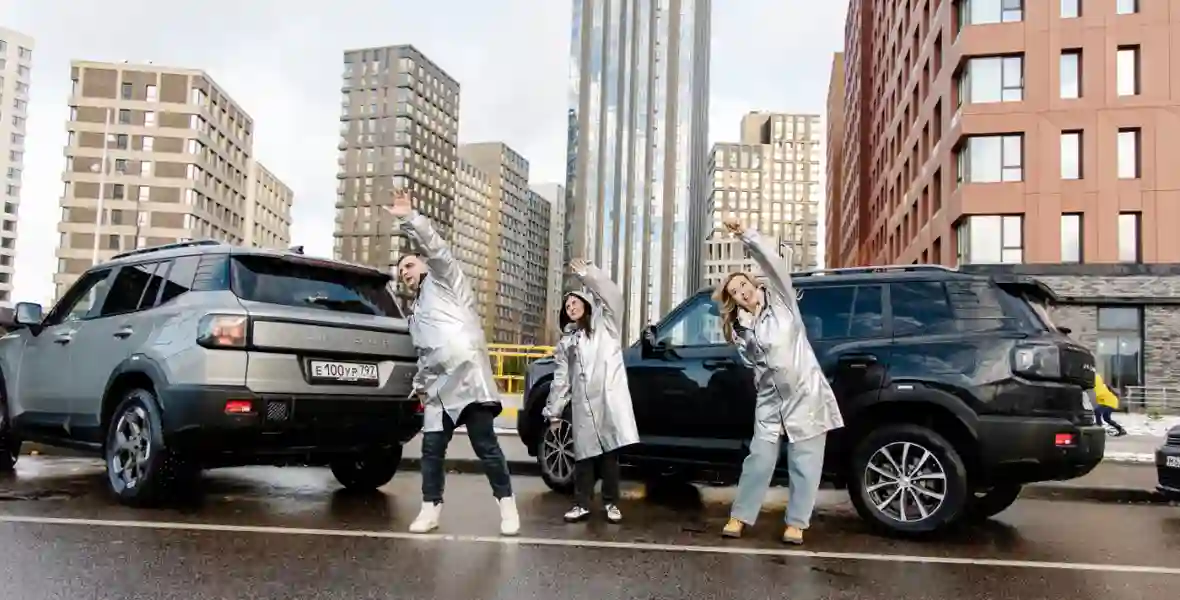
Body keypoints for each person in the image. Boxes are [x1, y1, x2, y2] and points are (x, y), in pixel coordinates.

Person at [386, 188, 519, 536]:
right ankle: (430, 509)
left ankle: (507, 505)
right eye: (400, 270)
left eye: (409, 265)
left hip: (468, 377)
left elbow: (436, 248)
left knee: (485, 444)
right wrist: (419, 388)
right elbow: (424, 355)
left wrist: (409, 218)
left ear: (424, 264)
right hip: (438, 389)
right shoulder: (415, 313)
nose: (405, 272)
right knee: (431, 449)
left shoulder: (446, 280)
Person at [711, 216, 844, 545]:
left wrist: (746, 235)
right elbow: (751, 362)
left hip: (805, 392)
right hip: (770, 398)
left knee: (805, 460)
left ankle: (796, 523)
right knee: (759, 457)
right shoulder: (741, 327)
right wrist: (760, 379)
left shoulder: (782, 301)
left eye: (743, 285)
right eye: (734, 292)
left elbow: (772, 261)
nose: (741, 292)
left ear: (753, 283)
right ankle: (740, 516)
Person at [543, 259, 640, 523]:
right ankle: (581, 503)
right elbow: (561, 379)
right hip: (583, 407)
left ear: (586, 304)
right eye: (567, 306)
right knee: (584, 457)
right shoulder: (566, 344)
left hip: (607, 400)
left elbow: (612, 297)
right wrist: (554, 412)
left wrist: (588, 275)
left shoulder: (605, 327)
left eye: (575, 302)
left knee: (609, 455)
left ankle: (611, 503)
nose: (571, 307)